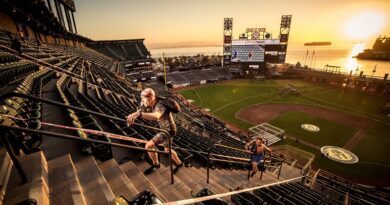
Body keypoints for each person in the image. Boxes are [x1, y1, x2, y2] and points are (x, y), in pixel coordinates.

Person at [127, 88, 183, 175]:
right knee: (167, 150)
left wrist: (139, 114)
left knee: (148, 146)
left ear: (150, 98)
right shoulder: (152, 101)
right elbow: (141, 109)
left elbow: (156, 116)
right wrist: (135, 113)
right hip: (167, 129)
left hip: (167, 130)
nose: (142, 100)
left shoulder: (160, 104)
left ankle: (156, 164)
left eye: (143, 98)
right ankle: (179, 164)